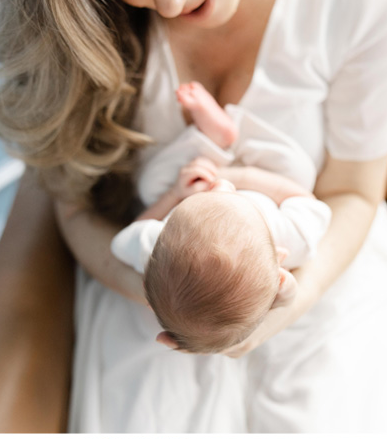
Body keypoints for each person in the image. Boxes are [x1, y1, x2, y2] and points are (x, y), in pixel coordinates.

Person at [0, 0, 387, 433]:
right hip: (151, 290)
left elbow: (354, 195)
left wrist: (296, 297)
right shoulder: (73, 22)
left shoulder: (358, 1)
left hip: (320, 264)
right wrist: (158, 288)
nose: (172, 4)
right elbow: (75, 209)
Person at [111, 82, 334, 354]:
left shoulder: (156, 249)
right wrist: (238, 177)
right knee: (298, 171)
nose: (219, 185)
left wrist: (174, 194)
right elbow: (302, 199)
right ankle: (226, 140)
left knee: (151, 186)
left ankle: (213, 141)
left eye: (209, 196)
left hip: (190, 177)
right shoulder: (288, 235)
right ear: (279, 258)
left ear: (146, 282)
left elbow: (130, 234)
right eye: (228, 193)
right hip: (263, 175)